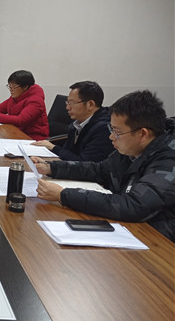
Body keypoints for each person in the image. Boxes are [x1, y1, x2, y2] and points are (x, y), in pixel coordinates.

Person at [34, 90, 175, 240]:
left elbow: (134, 206)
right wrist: (52, 168)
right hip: (129, 229)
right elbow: (99, 170)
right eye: (111, 129)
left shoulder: (168, 161)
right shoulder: (132, 148)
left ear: (142, 134)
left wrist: (63, 195)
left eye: (117, 132)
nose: (111, 137)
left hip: (157, 242)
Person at [32, 81, 113, 162]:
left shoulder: (104, 129)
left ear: (90, 104)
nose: (67, 107)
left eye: (71, 103)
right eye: (67, 102)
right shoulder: (76, 124)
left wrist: (53, 148)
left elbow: (83, 163)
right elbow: (68, 153)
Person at [0, 70, 49, 140]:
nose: (11, 89)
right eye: (9, 86)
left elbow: (21, 120)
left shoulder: (36, 101)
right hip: (16, 132)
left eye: (14, 87)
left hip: (33, 138)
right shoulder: (17, 96)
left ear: (25, 87)